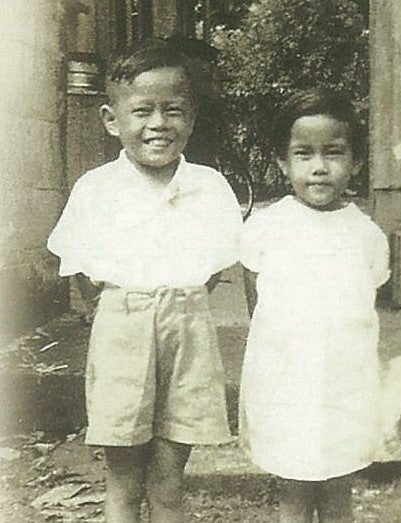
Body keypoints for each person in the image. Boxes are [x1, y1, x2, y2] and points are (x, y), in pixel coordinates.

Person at [47, 39, 243, 523]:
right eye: (142, 111)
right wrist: (129, 308)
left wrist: (176, 298)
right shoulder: (96, 189)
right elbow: (85, 277)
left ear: (191, 119)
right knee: (124, 480)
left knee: (170, 479)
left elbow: (216, 267)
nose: (158, 124)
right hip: (122, 330)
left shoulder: (209, 187)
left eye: (173, 110)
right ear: (113, 120)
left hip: (189, 331)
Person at [239, 88, 390, 522]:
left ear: (356, 161)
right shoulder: (266, 228)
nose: (320, 167)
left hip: (345, 384)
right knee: (295, 488)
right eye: (304, 154)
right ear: (284, 162)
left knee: (339, 486)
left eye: (334, 153)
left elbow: (364, 308)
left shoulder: (366, 235)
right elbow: (258, 304)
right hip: (285, 383)